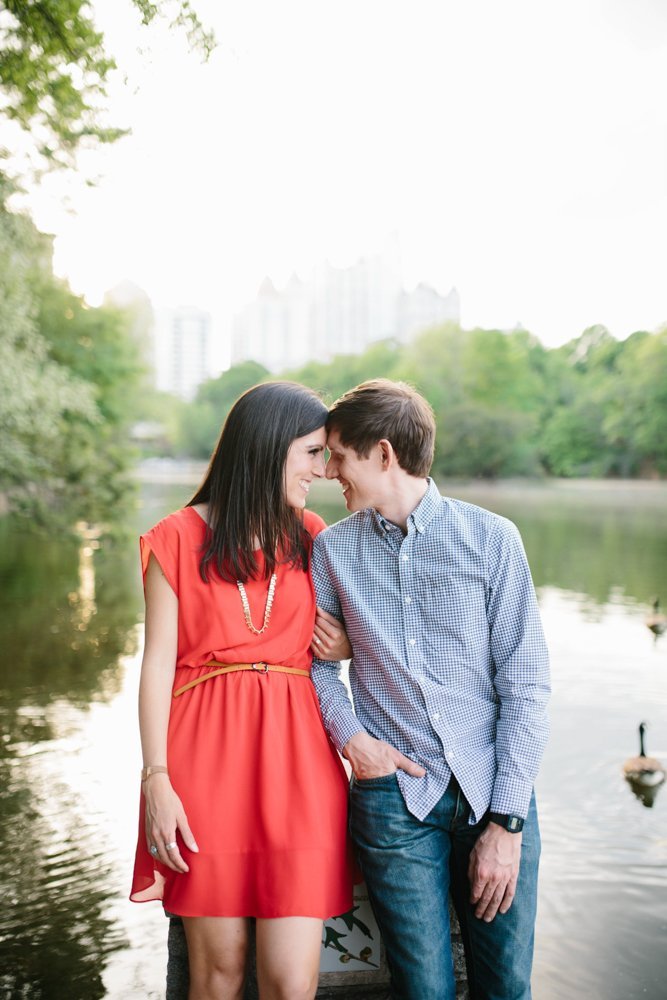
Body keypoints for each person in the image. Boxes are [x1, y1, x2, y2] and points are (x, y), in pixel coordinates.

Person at [310, 379, 550, 1000]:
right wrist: (355, 741)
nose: (329, 470)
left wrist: (507, 823)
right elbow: (316, 668)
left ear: (383, 454)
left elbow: (524, 686)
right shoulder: (332, 551)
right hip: (394, 801)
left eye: (339, 455)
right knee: (423, 993)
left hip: (492, 790)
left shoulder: (494, 540)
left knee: (505, 990)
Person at [130, 381, 355, 1000]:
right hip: (204, 766)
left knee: (291, 982)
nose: (324, 470)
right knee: (219, 974)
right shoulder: (174, 538)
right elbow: (156, 667)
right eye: (313, 453)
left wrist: (346, 648)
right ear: (269, 447)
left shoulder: (314, 536)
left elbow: (376, 632)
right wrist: (157, 779)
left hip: (300, 766)